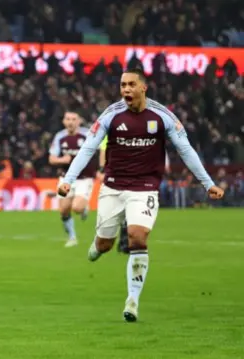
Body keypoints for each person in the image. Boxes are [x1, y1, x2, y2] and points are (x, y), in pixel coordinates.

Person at [57, 68, 224, 322]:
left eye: (131, 84)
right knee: (105, 244)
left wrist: (207, 183)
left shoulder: (162, 116)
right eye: (123, 85)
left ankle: (132, 300)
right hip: (113, 187)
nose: (125, 90)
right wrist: (68, 180)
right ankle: (98, 245)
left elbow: (185, 149)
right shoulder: (111, 115)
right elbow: (88, 148)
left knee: (137, 237)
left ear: (143, 88)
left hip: (145, 187)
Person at [48, 112, 96, 248]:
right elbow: (51, 158)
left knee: (76, 207)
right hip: (66, 178)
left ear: (79, 121)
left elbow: (101, 149)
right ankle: (72, 237)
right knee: (63, 210)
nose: (70, 122)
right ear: (63, 121)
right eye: (68, 119)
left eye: (73, 119)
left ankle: (83, 208)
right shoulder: (59, 136)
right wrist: (62, 159)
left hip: (84, 178)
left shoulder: (88, 135)